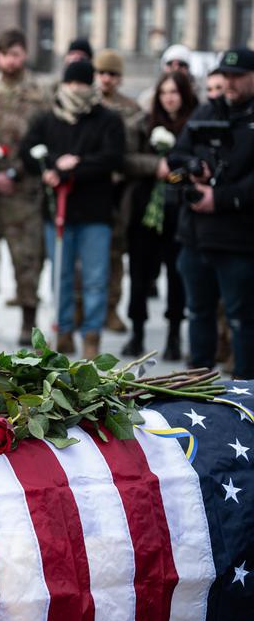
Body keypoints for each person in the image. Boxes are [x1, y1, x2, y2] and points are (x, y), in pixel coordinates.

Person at [20, 60, 125, 358]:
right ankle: (62, 331)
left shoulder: (107, 119)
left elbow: (112, 158)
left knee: (94, 277)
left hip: (95, 213)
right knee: (61, 275)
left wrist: (74, 166)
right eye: (72, 83)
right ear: (63, 84)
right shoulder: (47, 119)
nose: (77, 89)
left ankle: (91, 335)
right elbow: (28, 152)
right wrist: (51, 165)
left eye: (82, 84)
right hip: (58, 214)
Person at [172, 47, 254, 380]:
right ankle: (196, 391)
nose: (230, 83)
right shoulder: (206, 112)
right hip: (195, 236)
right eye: (226, 76)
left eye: (238, 76)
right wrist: (193, 167)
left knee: (242, 319)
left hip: (240, 240)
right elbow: (177, 155)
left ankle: (247, 394)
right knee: (198, 313)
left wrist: (219, 198)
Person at [0, 28, 48, 345]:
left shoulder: (39, 92)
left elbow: (44, 136)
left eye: (16, 54)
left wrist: (16, 172)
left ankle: (28, 322)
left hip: (23, 189)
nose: (10, 60)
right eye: (4, 54)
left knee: (26, 258)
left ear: (24, 54)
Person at [121, 70, 197, 359]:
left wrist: (180, 169)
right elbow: (126, 159)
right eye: (164, 92)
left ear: (184, 95)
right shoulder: (142, 123)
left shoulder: (194, 124)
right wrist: (155, 165)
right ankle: (137, 332)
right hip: (144, 211)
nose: (169, 98)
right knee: (139, 275)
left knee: (177, 276)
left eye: (174, 92)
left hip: (180, 210)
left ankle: (175, 335)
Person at [94, 48, 142, 335]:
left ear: (120, 78)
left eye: (112, 74)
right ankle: (79, 308)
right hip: (89, 188)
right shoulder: (83, 105)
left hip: (120, 189)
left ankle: (111, 309)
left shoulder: (132, 109)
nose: (106, 79)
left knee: (115, 252)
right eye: (102, 73)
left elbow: (135, 149)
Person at [137, 43, 193, 110]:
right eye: (170, 64)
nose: (175, 68)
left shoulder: (199, 97)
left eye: (181, 64)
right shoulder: (148, 98)